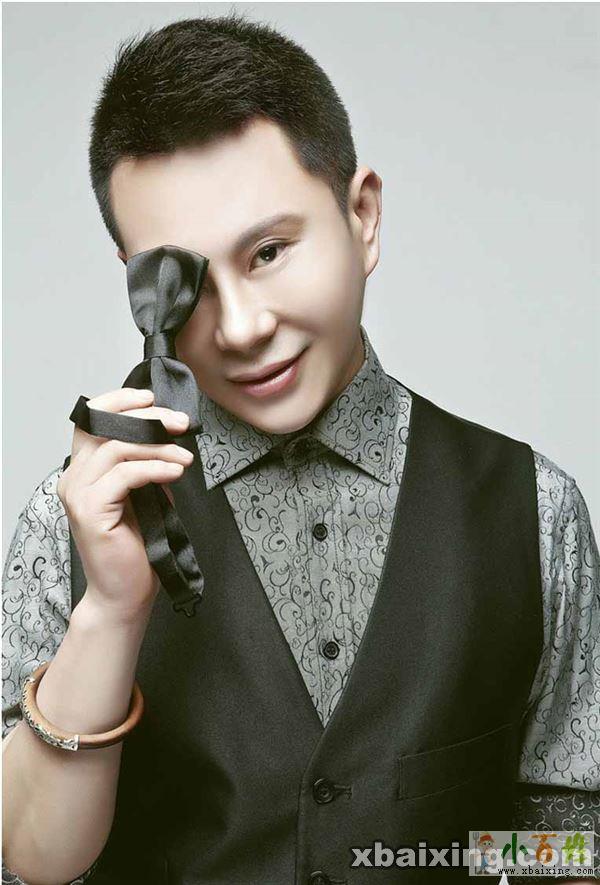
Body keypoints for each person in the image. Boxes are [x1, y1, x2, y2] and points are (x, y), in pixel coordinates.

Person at [2, 12, 598, 885]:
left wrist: (442, 857)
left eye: (271, 252)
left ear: (363, 216)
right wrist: (111, 612)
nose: (242, 327)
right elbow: (31, 859)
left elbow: (568, 834)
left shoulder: (534, 511)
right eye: (187, 281)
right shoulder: (68, 526)